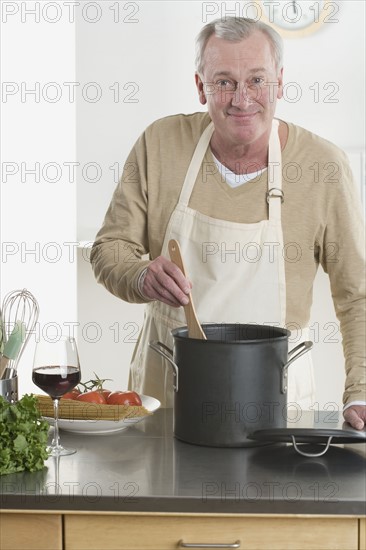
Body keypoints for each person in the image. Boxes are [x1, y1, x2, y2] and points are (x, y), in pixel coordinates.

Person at [90, 17, 365, 429]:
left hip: (275, 404)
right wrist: (141, 275)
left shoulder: (324, 167)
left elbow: (356, 294)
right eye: (224, 82)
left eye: (257, 80)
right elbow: (108, 249)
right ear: (200, 86)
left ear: (280, 83)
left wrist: (360, 391)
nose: (242, 99)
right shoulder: (160, 144)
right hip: (169, 404)